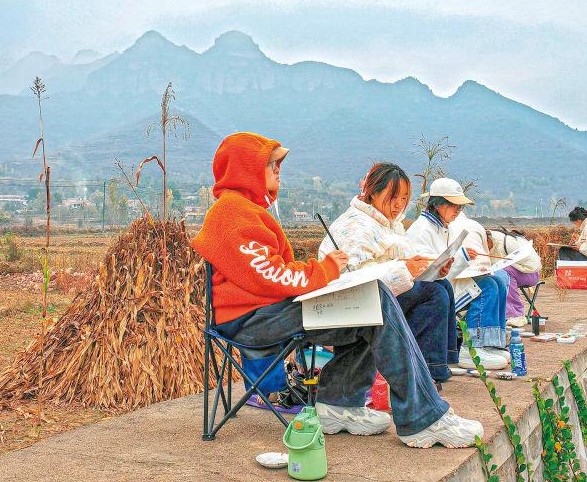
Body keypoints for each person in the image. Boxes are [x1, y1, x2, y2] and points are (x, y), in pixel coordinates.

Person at [190, 133, 483, 448]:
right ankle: (424, 418)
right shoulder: (231, 213)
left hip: (265, 311)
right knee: (376, 299)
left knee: (369, 308)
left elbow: (268, 273)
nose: (279, 169)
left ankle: (338, 404)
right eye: (271, 163)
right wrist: (326, 269)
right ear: (246, 167)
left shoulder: (246, 210)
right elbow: (270, 275)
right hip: (252, 320)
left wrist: (323, 272)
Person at [317, 162, 459, 386]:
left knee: (442, 286)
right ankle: (420, 371)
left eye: (403, 198)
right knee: (433, 293)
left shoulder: (390, 224)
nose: (398, 205)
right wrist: (406, 270)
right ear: (372, 191)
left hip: (381, 292)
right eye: (393, 196)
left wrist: (432, 269)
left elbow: (402, 262)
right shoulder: (357, 226)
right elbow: (358, 278)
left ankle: (433, 364)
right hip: (351, 302)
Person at [407, 178, 511, 369]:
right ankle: (473, 347)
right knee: (486, 287)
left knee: (497, 281)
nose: (457, 211)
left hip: (445, 284)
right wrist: (462, 257)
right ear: (438, 204)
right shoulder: (422, 230)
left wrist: (464, 259)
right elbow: (430, 272)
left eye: (460, 208)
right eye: (454, 206)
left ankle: (490, 343)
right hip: (431, 290)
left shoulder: (441, 227)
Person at [488, 227, 541, 327]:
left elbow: (535, 265)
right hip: (512, 273)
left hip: (530, 274)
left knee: (502, 272)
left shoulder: (509, 243)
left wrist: (508, 263)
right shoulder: (492, 244)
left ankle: (516, 314)